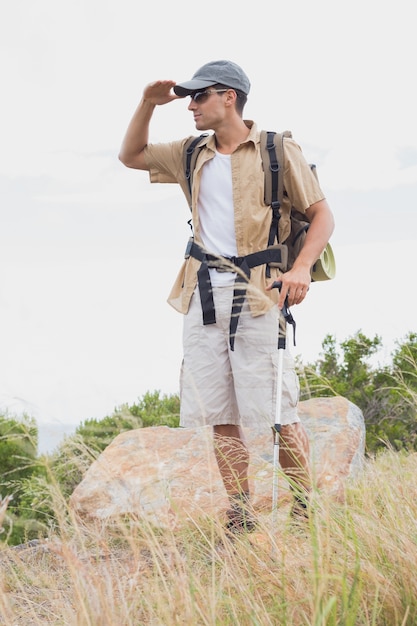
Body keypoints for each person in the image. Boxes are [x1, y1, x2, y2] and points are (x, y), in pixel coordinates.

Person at [119, 60, 335, 533]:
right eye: (190, 97)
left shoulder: (278, 149)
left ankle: (305, 504)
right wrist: (147, 105)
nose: (191, 105)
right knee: (218, 412)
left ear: (229, 97)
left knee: (277, 411)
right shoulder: (191, 152)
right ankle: (240, 512)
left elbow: (321, 215)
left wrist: (300, 269)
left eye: (200, 96)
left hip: (260, 294)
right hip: (201, 293)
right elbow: (131, 155)